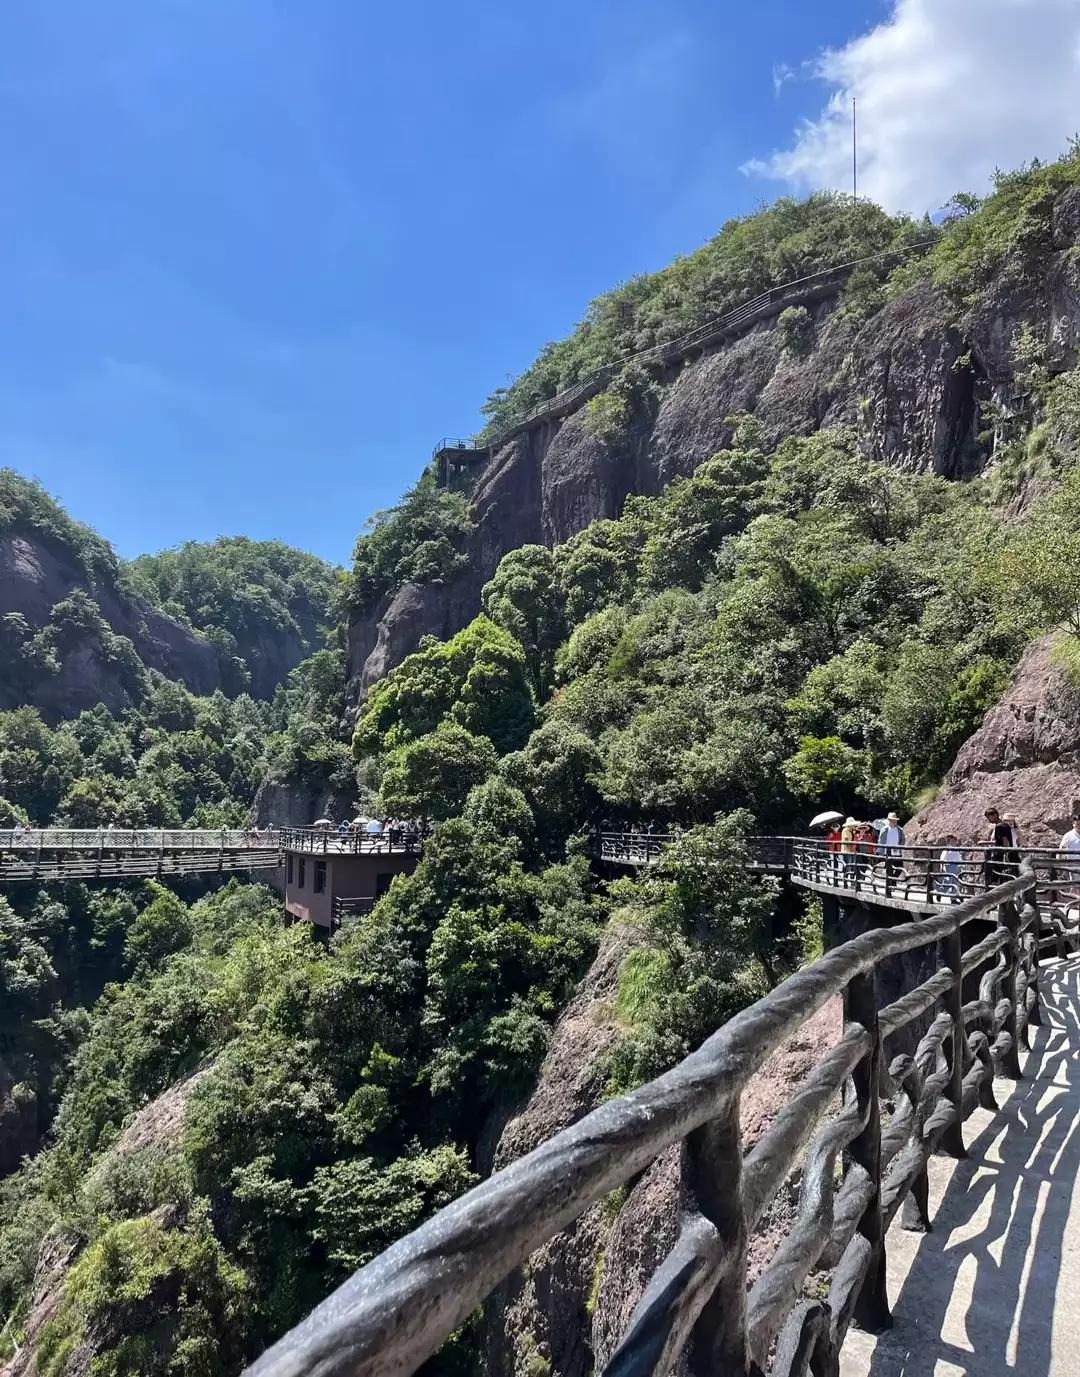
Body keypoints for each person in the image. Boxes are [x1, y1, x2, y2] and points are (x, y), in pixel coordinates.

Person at [984, 807, 1015, 885]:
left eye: (989, 817)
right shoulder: (1004, 825)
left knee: (995, 877)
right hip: (1004, 854)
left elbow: (1005, 842)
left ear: (994, 815)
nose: (988, 820)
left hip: (1000, 856)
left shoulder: (1000, 826)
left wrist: (1005, 853)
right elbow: (1000, 841)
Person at [877, 812, 906, 886]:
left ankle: (892, 881)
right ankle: (891, 885)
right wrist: (881, 852)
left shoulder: (899, 829)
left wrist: (900, 846)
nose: (893, 821)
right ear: (889, 820)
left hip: (897, 851)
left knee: (899, 868)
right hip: (887, 851)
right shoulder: (884, 829)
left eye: (894, 820)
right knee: (889, 868)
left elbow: (903, 839)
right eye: (892, 820)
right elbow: (880, 841)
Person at [938, 834, 962, 900]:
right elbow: (942, 859)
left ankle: (953, 899)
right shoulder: (947, 850)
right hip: (949, 866)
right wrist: (942, 867)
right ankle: (940, 892)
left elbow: (959, 859)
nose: (953, 842)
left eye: (954, 841)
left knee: (955, 882)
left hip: (956, 866)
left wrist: (960, 866)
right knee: (948, 882)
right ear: (949, 842)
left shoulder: (956, 850)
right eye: (952, 841)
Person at [840, 817, 859, 882]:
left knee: (850, 866)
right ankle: (847, 881)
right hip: (847, 851)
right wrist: (853, 850)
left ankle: (850, 880)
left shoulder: (850, 831)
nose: (855, 826)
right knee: (848, 867)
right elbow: (847, 842)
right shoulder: (846, 831)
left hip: (849, 851)